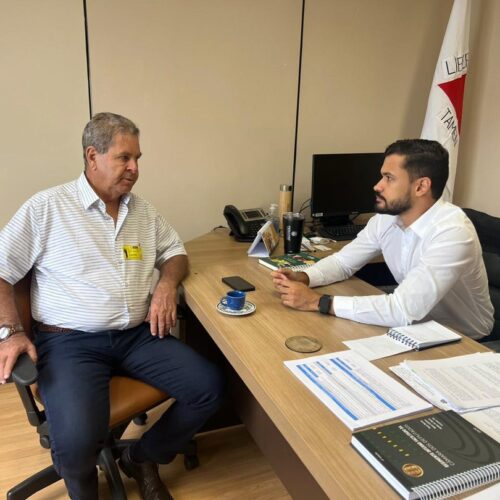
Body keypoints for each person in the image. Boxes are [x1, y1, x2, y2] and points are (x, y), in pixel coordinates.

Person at [0, 112, 224, 500]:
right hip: (70, 343)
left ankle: (142, 456)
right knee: (74, 445)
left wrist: (167, 285)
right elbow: (2, 271)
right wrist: (13, 332)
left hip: (137, 337)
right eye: (124, 158)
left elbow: (175, 252)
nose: (135, 168)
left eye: (138, 158)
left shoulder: (143, 212)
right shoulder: (47, 208)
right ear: (92, 156)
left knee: (210, 387)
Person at [272, 139, 494, 339]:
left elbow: (401, 310)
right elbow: (343, 263)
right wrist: (305, 277)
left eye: (389, 178)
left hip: (464, 337)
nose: (377, 186)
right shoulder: (386, 219)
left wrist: (316, 301)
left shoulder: (452, 232)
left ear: (421, 186)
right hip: (415, 323)